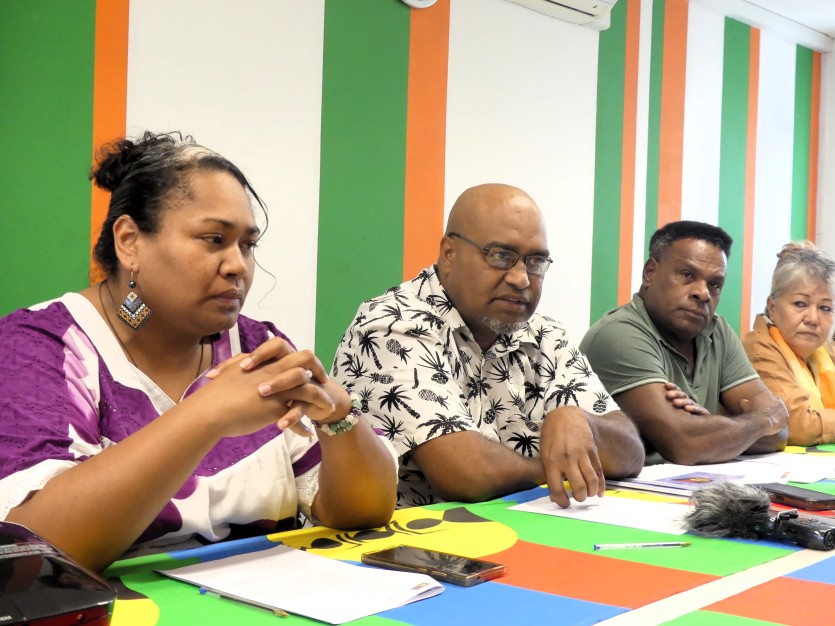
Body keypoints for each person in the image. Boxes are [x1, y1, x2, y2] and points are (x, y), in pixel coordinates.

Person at [0, 132, 396, 572]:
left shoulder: (258, 348)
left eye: (247, 245)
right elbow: (34, 550)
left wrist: (338, 416)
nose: (238, 266)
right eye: (213, 239)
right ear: (129, 241)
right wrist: (208, 414)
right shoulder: (41, 347)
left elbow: (363, 512)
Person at [331, 183, 645, 509]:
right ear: (449, 254)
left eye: (535, 261)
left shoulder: (545, 334)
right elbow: (465, 475)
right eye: (501, 256)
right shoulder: (392, 325)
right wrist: (563, 465)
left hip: (519, 527)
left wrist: (582, 421)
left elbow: (631, 454)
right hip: (403, 535)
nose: (521, 278)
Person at [580, 221, 788, 465]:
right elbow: (686, 444)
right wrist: (761, 421)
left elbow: (780, 433)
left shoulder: (717, 330)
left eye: (714, 284)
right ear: (650, 273)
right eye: (687, 275)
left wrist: (709, 427)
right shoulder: (618, 333)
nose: (703, 293)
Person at [742, 241, 835, 445]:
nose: (813, 318)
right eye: (800, 304)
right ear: (772, 308)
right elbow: (798, 426)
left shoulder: (824, 351)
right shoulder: (759, 350)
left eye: (825, 308)